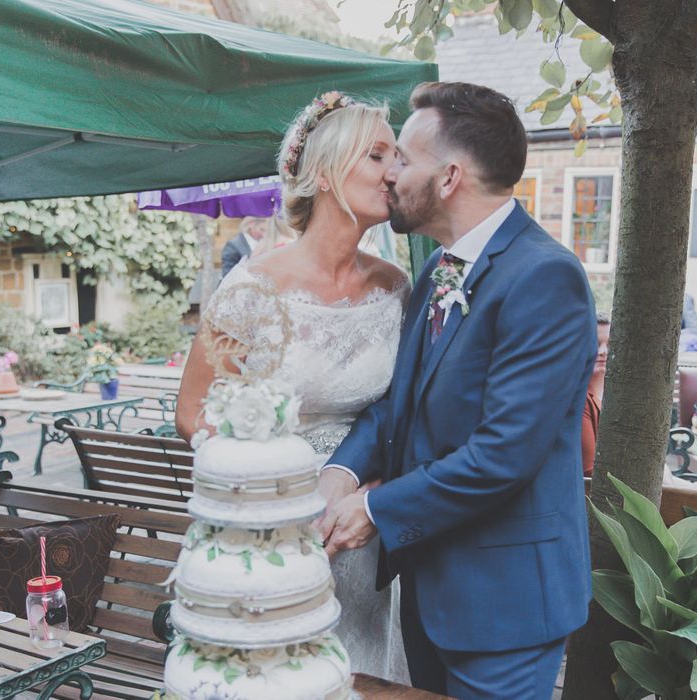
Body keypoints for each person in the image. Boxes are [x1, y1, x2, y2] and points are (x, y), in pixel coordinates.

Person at [318, 82, 597, 699]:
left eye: (405, 160)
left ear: (448, 178)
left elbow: (503, 455)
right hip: (432, 584)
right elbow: (401, 401)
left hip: (506, 602)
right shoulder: (441, 269)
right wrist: (342, 470)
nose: (390, 173)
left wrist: (372, 508)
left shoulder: (544, 278)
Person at [176, 91, 410, 682]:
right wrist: (268, 494)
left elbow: (402, 415)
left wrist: (372, 496)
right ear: (328, 173)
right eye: (378, 155)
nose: (395, 172)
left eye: (398, 157)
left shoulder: (397, 288)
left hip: (361, 532)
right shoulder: (252, 288)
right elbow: (192, 411)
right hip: (273, 536)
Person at [582, 313, 610, 476]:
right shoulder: (581, 400)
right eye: (596, 343)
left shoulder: (618, 395)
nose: (603, 351)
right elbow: (589, 472)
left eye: (610, 344)